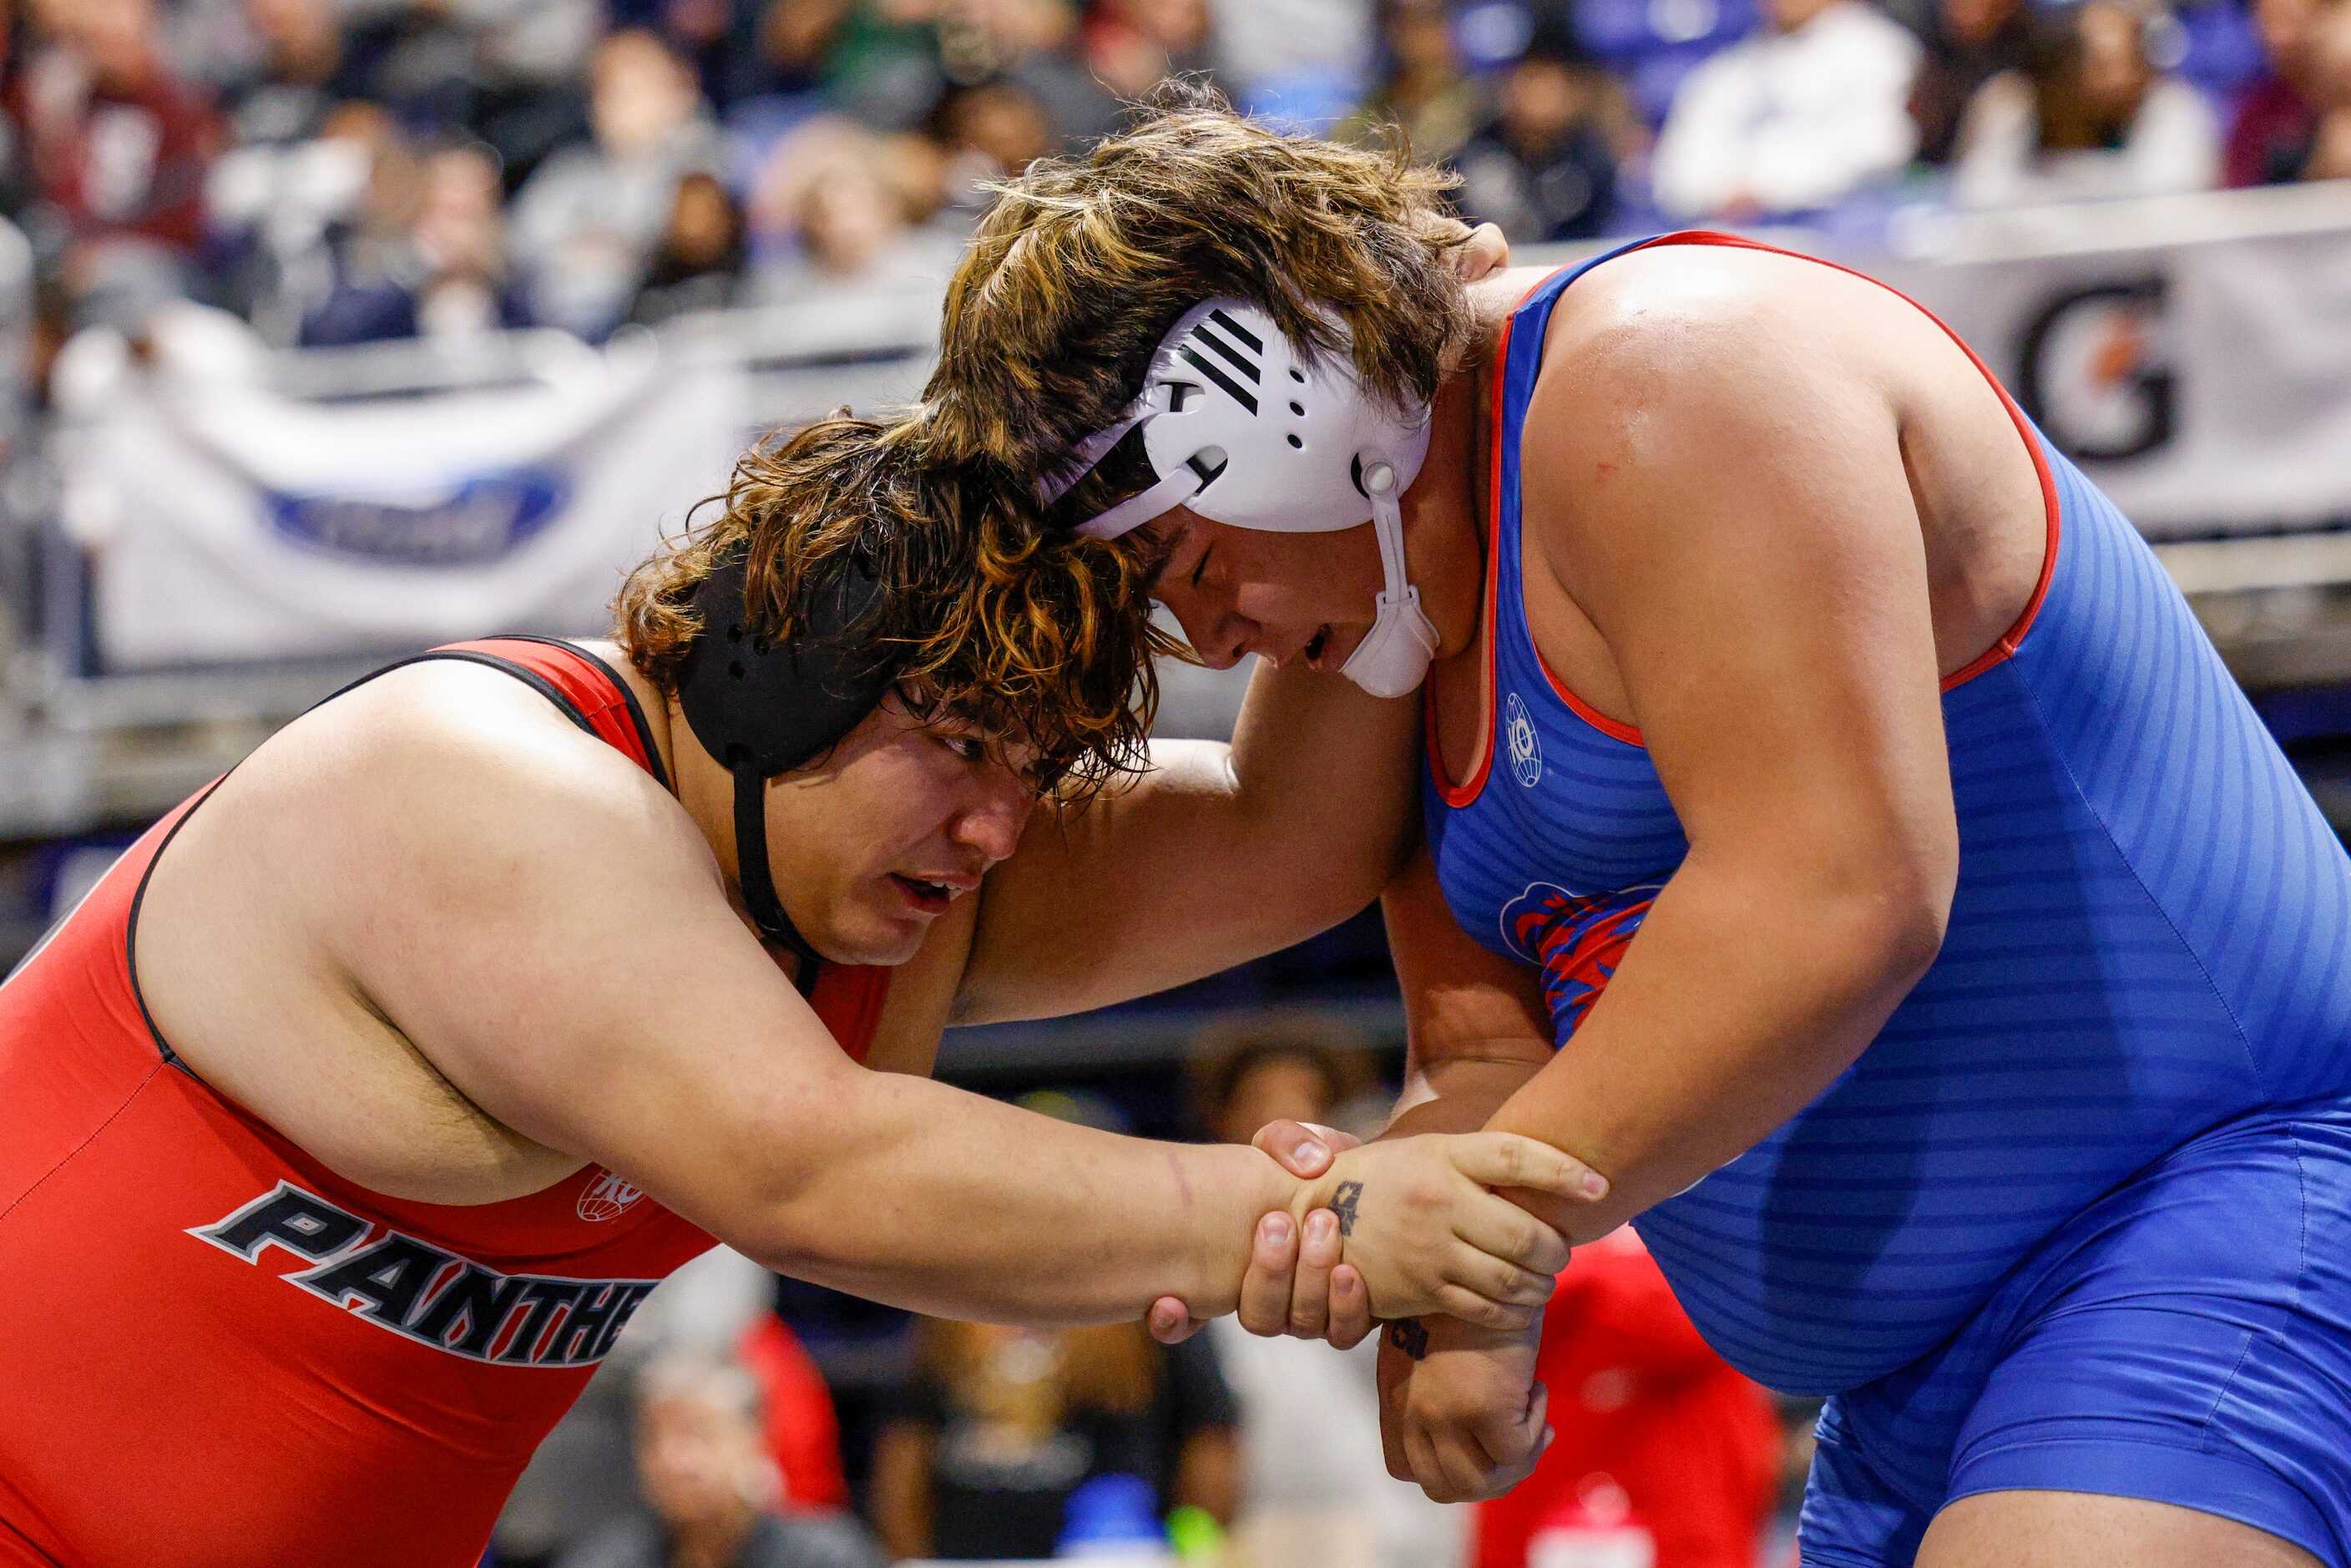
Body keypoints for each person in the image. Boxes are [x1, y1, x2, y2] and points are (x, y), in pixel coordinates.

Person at [911, 97, 2351, 1568]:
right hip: (1922, 1376)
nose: (1215, 632)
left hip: (2232, 1209)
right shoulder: (1407, 610)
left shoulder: (1671, 374)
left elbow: (1838, 891)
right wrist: (1430, 1267)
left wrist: (1456, 1226)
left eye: (1192, 557)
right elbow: (1487, 1057)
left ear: (1293, 393)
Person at [0, 397, 1600, 1564]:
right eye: (964, 741)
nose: (996, 825)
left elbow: (1292, 835)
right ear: (765, 668)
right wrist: (1319, 1216)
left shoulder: (869, 872)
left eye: (1035, 767)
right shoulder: (463, 783)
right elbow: (810, 1165)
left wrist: (1406, 409)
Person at [555, 1350, 885, 1568]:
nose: (672, 1460)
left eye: (698, 1434)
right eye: (654, 1437)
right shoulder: (601, 1559)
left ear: (754, 1439)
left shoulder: (827, 1557)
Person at [1649, 0, 1921, 218]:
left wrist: (1766, 190)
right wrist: (1721, 194)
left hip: (1838, 227)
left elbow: (1881, 148)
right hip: (1738, 234)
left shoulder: (1882, 52)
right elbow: (1676, 173)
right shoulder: (1729, 68)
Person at [1949, 0, 2221, 207]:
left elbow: (2168, 200)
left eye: (2123, 60)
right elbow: (1978, 196)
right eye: (2092, 59)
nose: (2116, 77)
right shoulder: (2015, 99)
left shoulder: (2174, 105)